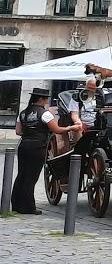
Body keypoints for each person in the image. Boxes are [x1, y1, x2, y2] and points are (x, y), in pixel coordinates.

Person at [12, 88, 80, 216]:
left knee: (21, 175)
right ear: (41, 99)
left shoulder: (23, 113)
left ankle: (16, 204)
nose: (47, 101)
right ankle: (28, 207)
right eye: (46, 99)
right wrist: (71, 127)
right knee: (31, 177)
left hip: (24, 145)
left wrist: (30, 131)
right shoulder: (45, 114)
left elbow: (18, 131)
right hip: (37, 147)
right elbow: (57, 130)